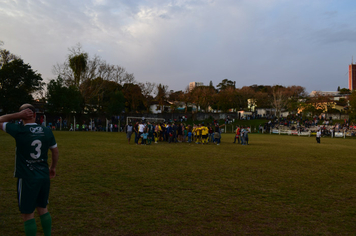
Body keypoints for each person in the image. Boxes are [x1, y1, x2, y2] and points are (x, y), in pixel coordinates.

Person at [0, 104, 59, 236]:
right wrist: (53, 167)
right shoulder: (46, 131)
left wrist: (17, 115)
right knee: (43, 208)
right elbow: (55, 151)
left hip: (27, 177)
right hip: (43, 176)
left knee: (28, 214)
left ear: (22, 116)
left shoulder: (18, 130)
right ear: (35, 115)